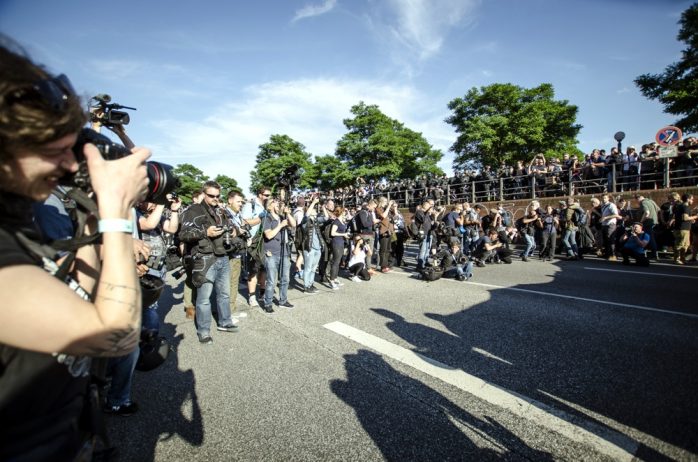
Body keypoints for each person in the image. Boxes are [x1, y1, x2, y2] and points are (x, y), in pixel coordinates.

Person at [0, 41, 148, 459]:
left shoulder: (19, 225)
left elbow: (83, 299)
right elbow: (113, 335)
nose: (69, 167)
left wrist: (93, 216)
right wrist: (116, 214)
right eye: (53, 152)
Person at [179, 181, 239, 344]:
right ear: (203, 194)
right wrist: (205, 232)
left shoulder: (221, 210)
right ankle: (204, 331)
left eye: (218, 196)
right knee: (204, 298)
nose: (215, 199)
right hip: (204, 259)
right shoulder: (193, 210)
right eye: (211, 196)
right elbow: (183, 234)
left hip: (223, 256)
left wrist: (233, 229)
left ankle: (225, 322)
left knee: (224, 294)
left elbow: (232, 226)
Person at [261, 197, 296, 311]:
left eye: (278, 203)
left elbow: (293, 224)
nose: (277, 205)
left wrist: (288, 214)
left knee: (285, 278)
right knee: (271, 280)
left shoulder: (282, 217)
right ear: (269, 206)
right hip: (271, 253)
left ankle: (283, 300)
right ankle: (268, 303)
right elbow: (269, 235)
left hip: (284, 252)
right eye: (275, 203)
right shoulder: (267, 219)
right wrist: (280, 225)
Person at [241, 186, 271, 307]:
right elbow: (244, 222)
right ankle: (251, 296)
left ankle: (262, 294)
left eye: (269, 195)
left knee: (264, 269)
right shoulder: (250, 205)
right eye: (266, 195)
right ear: (260, 194)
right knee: (253, 270)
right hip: (254, 240)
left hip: (265, 240)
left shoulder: (267, 205)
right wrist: (260, 218)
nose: (268, 197)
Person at [673, 194, 697, 265]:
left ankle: (682, 259)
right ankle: (677, 259)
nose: (692, 201)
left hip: (682, 228)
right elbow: (685, 218)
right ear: (688, 199)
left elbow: (682, 217)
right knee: (680, 244)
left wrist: (691, 219)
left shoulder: (679, 206)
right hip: (683, 229)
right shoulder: (685, 207)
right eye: (692, 199)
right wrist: (695, 217)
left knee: (685, 245)